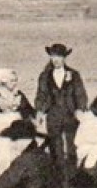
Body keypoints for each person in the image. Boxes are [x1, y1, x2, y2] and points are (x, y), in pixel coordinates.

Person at [35, 43, 88, 171]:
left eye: (59, 56)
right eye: (53, 56)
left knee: (72, 146)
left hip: (70, 114)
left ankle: (72, 173)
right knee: (55, 147)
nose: (56, 60)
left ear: (64, 57)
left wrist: (80, 109)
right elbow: (41, 94)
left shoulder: (74, 74)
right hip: (53, 114)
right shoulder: (45, 75)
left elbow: (80, 94)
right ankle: (57, 175)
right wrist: (40, 112)